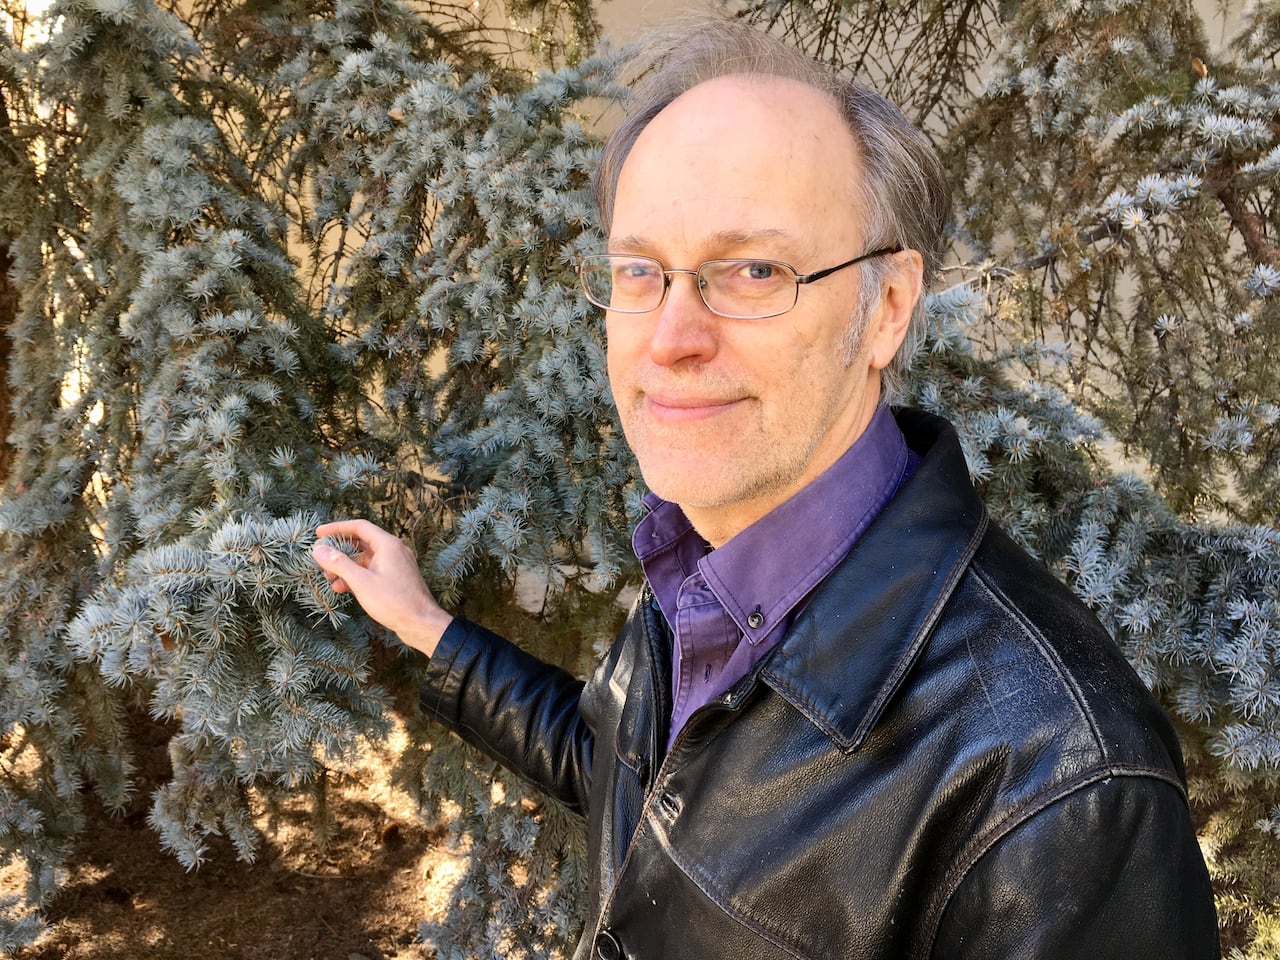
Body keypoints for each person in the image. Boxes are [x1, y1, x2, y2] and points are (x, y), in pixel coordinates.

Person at [311, 19, 1220, 960]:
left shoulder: (1056, 788)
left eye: (753, 270)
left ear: (888, 308)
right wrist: (426, 623)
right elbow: (635, 777)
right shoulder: (703, 562)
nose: (670, 338)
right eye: (639, 270)